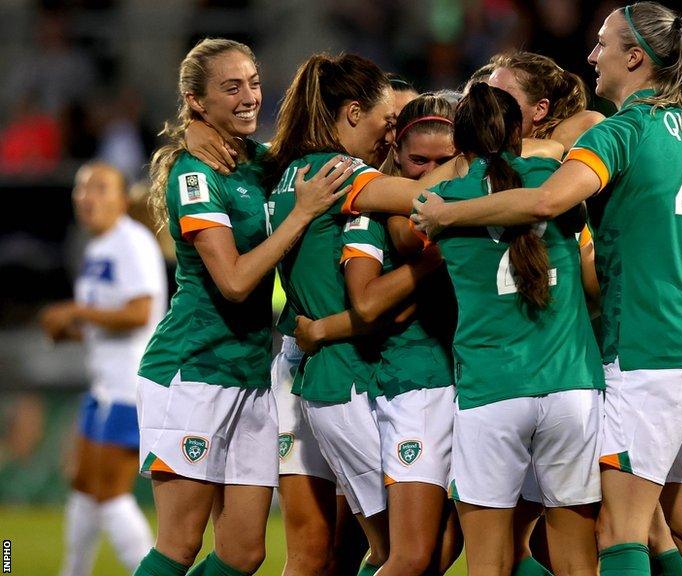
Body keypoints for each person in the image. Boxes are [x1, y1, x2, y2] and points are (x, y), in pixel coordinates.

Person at [407, 3, 682, 575]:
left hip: (648, 350)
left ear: (634, 56)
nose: (592, 56)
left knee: (620, 532)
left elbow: (547, 200)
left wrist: (449, 215)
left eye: (603, 43)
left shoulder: (622, 131)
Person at [132, 38, 349, 576]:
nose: (250, 96)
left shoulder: (257, 162)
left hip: (250, 374)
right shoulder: (195, 173)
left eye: (253, 82)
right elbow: (232, 281)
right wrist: (299, 216)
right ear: (196, 101)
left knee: (244, 553)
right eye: (231, 88)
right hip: (193, 370)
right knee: (179, 545)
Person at [263, 52, 441, 576]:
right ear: (353, 112)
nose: (390, 138)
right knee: (400, 554)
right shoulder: (337, 172)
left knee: (350, 551)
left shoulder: (292, 171)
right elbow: (426, 197)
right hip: (343, 375)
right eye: (388, 124)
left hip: (317, 370)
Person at [432, 81, 603, 576]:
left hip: (491, 389)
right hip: (570, 386)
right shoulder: (552, 176)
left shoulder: (442, 199)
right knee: (577, 565)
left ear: (458, 143)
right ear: (517, 133)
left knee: (490, 563)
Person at [342, 92, 462, 576]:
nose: (428, 173)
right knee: (405, 556)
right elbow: (375, 306)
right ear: (395, 150)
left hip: (467, 383)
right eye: (418, 160)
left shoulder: (474, 201)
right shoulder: (377, 206)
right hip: (410, 382)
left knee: (440, 553)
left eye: (443, 161)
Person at [40, 162, 166, 576]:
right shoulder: (97, 249)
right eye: (81, 188)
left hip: (129, 387)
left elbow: (139, 313)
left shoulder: (132, 243)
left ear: (121, 199)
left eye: (100, 188)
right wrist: (72, 332)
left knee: (110, 495)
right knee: (83, 487)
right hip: (104, 387)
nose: (87, 196)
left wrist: (75, 310)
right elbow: (107, 323)